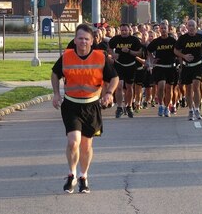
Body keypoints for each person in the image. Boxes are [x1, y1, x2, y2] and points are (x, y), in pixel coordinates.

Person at [51, 24, 119, 194]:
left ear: (92, 41)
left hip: (91, 106)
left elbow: (114, 77)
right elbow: (54, 74)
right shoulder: (66, 57)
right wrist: (56, 94)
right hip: (71, 105)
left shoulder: (100, 57)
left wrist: (109, 93)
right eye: (80, 38)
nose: (83, 42)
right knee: (73, 141)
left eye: (86, 39)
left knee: (86, 146)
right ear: (75, 40)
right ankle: (71, 174)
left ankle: (83, 176)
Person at [174, 19, 202, 120]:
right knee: (188, 89)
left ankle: (197, 110)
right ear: (186, 27)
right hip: (187, 66)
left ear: (196, 27)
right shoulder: (182, 38)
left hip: (198, 65)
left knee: (196, 85)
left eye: (193, 26)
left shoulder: (200, 37)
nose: (191, 28)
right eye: (189, 26)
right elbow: (175, 50)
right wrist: (184, 56)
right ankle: (190, 110)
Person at [109, 23, 142, 118]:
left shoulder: (134, 40)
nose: (123, 32)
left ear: (129, 30)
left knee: (129, 87)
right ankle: (119, 107)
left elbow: (140, 53)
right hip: (119, 65)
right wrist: (113, 55)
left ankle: (129, 106)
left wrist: (129, 51)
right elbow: (109, 48)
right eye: (122, 30)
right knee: (119, 86)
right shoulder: (116, 39)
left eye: (125, 30)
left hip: (130, 65)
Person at [147, 23, 178, 117]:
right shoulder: (156, 41)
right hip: (160, 67)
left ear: (168, 29)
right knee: (161, 86)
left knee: (169, 88)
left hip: (170, 67)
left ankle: (166, 107)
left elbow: (178, 50)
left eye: (165, 28)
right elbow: (148, 50)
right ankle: (160, 105)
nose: (163, 30)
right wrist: (152, 59)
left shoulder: (172, 40)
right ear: (159, 30)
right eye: (162, 28)